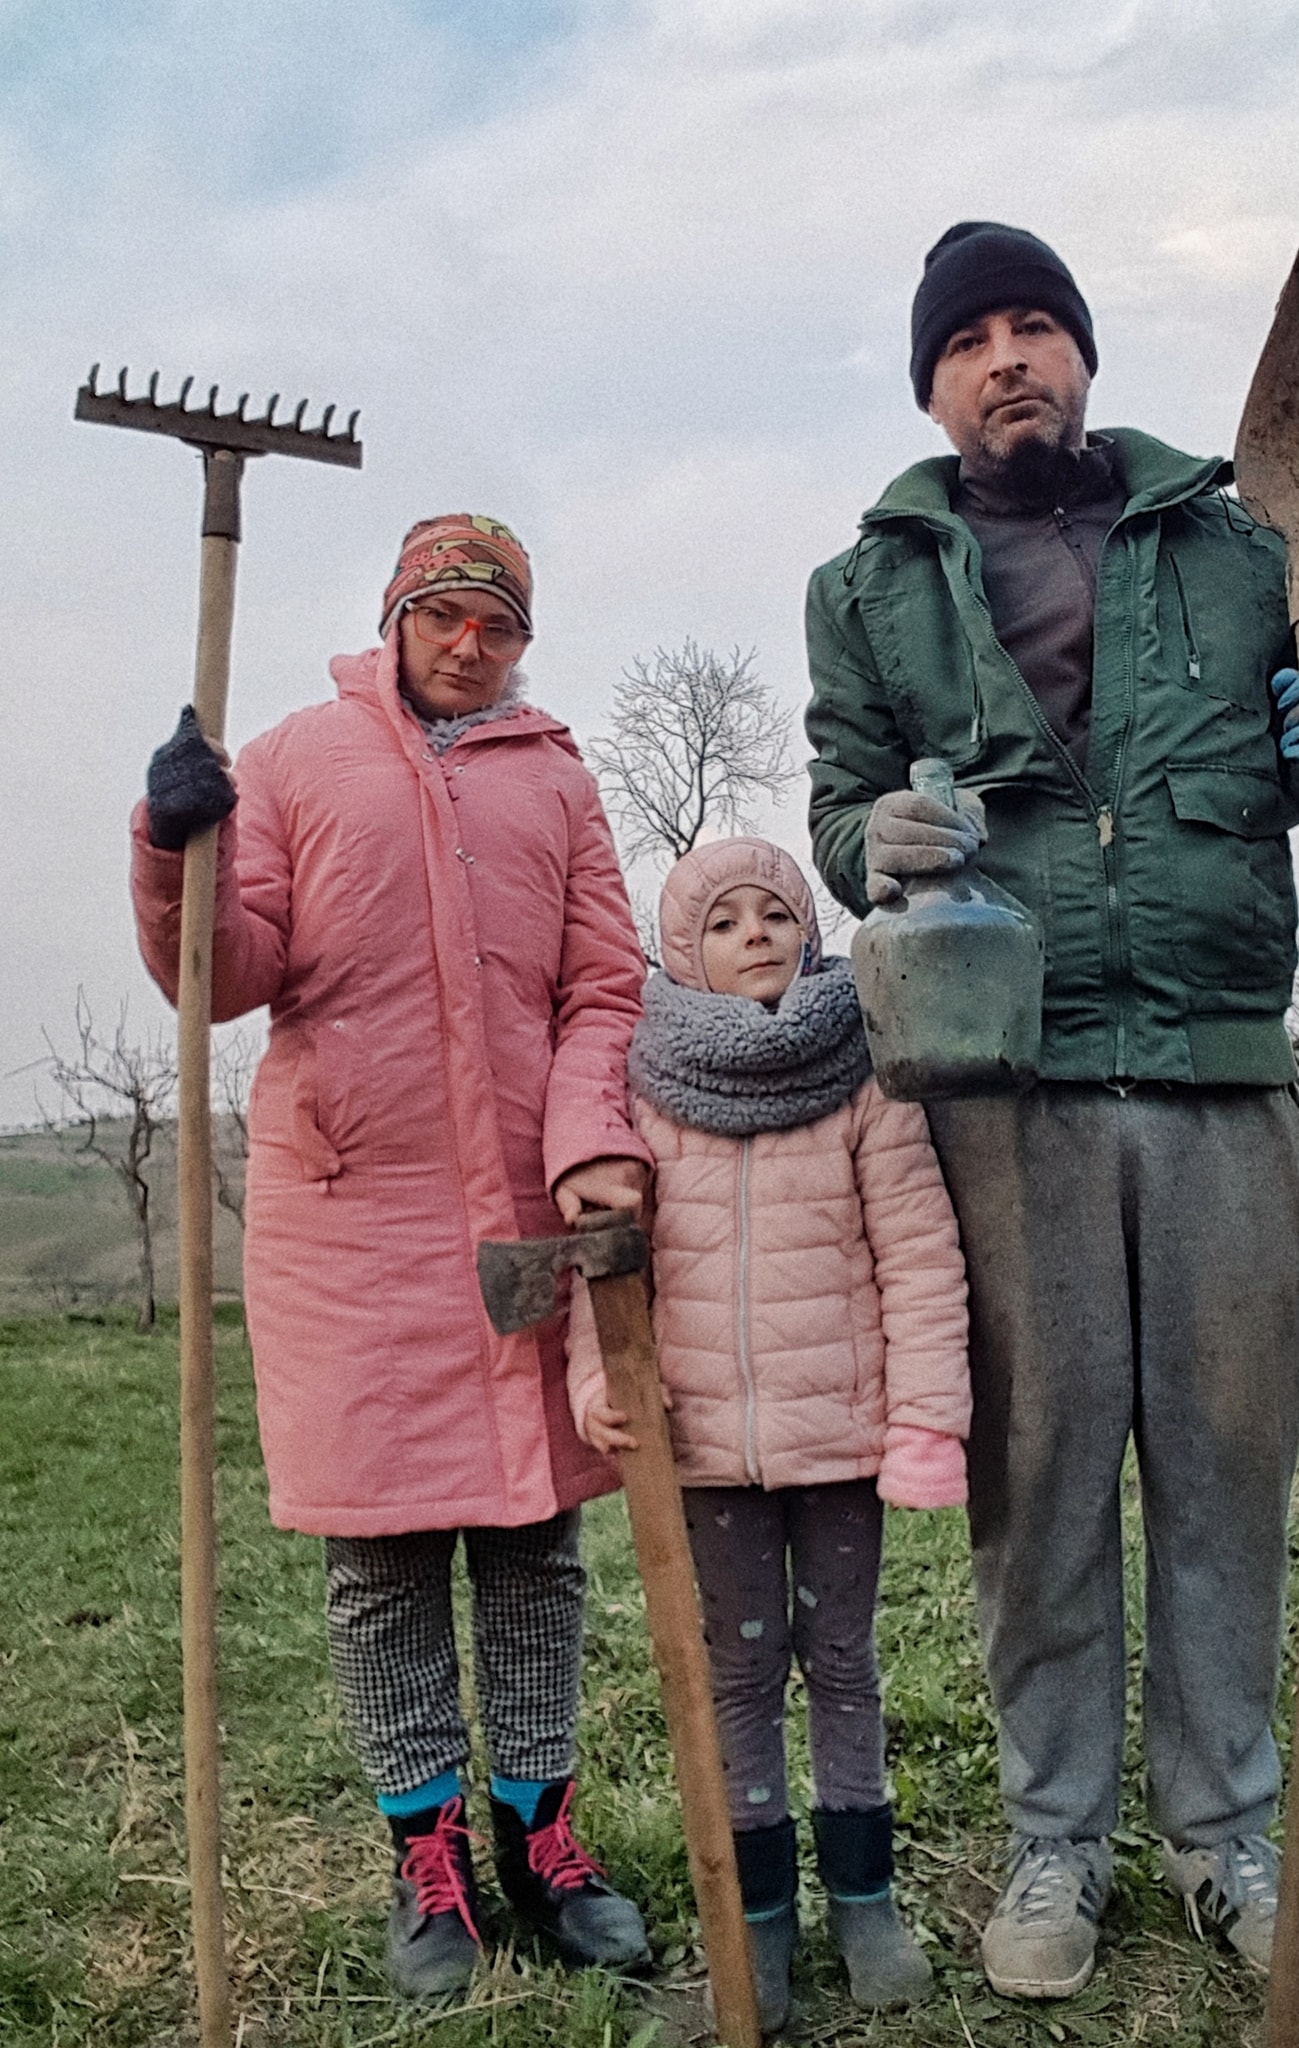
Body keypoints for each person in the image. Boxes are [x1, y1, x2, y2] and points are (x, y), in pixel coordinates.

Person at [804, 223, 1299, 2001]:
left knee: (1225, 1475)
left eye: (1037, 329)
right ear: (932, 383)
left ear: (1082, 357)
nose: (1009, 360)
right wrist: (872, 843)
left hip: (1225, 1069)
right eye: (971, 339)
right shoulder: (870, 586)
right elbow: (844, 801)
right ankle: (1054, 1838)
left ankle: (1227, 1831)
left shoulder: (1241, 542)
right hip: (1013, 1086)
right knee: (1041, 1481)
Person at [131, 514, 653, 2001]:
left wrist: (584, 1150)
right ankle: (427, 1858)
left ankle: (541, 1834)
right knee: (385, 1565)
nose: (469, 641)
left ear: (522, 642)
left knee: (536, 1552)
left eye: (497, 621)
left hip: (520, 1219)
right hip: (350, 1221)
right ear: (397, 619)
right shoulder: (297, 758)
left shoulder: (556, 777)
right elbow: (222, 978)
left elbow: (605, 987)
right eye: (444, 614)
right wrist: (176, 848)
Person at [566, 838, 971, 2030]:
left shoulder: (862, 1077)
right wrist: (599, 1379)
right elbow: (611, 1265)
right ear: (684, 950)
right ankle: (757, 1925)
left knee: (841, 1663)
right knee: (736, 1676)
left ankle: (866, 1898)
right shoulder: (648, 1085)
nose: (756, 932)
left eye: (776, 913)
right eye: (726, 920)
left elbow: (919, 1252)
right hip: (707, 1455)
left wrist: (926, 1418)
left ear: (809, 929)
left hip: (840, 1441)